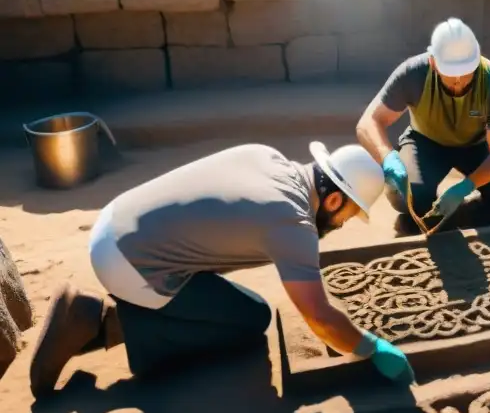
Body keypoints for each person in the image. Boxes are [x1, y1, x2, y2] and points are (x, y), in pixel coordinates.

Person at [29, 142, 414, 399]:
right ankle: (99, 321)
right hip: (129, 261)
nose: (342, 225)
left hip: (116, 220)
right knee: (249, 320)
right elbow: (320, 318)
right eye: (347, 216)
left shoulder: (269, 157)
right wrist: (371, 347)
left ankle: (102, 316)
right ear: (332, 199)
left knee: (243, 307)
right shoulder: (292, 223)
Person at [356, 17, 490, 233]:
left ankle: (457, 212)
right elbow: (368, 123)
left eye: (465, 72)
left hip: (477, 146)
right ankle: (424, 212)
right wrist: (388, 159)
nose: (458, 81)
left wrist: (465, 188)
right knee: (406, 195)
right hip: (426, 143)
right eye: (451, 74)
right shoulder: (413, 73)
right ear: (433, 62)